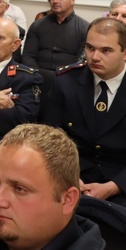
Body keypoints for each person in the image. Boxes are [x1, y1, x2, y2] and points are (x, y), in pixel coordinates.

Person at [45, 17, 126, 206]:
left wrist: (113, 187)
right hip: (73, 175)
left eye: (106, 50)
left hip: (121, 181)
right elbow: (50, 137)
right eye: (90, 48)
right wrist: (71, 177)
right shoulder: (65, 82)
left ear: (124, 53)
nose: (95, 57)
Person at [22, 0, 89, 73]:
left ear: (73, 0)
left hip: (69, 76)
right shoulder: (37, 25)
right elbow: (28, 56)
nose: (55, 1)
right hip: (38, 74)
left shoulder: (85, 28)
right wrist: (35, 74)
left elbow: (81, 61)